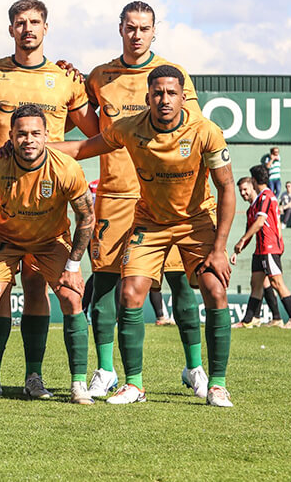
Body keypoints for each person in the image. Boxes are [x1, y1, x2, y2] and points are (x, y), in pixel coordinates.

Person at [51, 64, 236, 407]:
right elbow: (84, 148)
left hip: (195, 223)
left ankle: (217, 385)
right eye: (158, 93)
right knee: (131, 293)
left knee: (214, 288)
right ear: (148, 97)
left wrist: (220, 248)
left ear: (184, 97)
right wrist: (36, 145)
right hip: (150, 222)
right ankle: (134, 384)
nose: (164, 99)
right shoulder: (129, 128)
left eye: (171, 93)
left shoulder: (206, 131)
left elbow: (226, 188)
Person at [0, 0, 98, 398]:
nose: (27, 29)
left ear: (46, 28)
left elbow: (97, 136)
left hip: (47, 208)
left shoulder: (66, 79)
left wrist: (51, 155)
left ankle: (34, 377)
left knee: (36, 288)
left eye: (35, 22)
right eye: (20, 22)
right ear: (10, 28)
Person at [81, 1, 207, 400]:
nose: (137, 34)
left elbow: (192, 132)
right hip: (116, 195)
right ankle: (104, 369)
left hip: (163, 199)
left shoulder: (173, 75)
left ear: (155, 32)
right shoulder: (101, 76)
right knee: (104, 283)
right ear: (120, 28)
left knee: (181, 284)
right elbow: (88, 125)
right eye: (131, 27)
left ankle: (194, 367)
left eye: (145, 28)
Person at [0, 103, 95, 404]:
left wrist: (74, 266)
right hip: (4, 238)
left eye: (36, 133)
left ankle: (69, 383)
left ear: (47, 135)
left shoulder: (66, 168)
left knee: (72, 296)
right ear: (10, 136)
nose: (29, 140)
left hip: (50, 240)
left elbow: (86, 217)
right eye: (21, 134)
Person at [231, 169, 291, 330]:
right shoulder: (253, 206)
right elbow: (251, 230)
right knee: (256, 283)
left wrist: (242, 240)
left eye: (245, 188)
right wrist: (237, 249)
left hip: (270, 247)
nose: (243, 193)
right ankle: (248, 320)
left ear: (254, 182)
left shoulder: (266, 196)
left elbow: (261, 222)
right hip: (260, 249)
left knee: (277, 282)